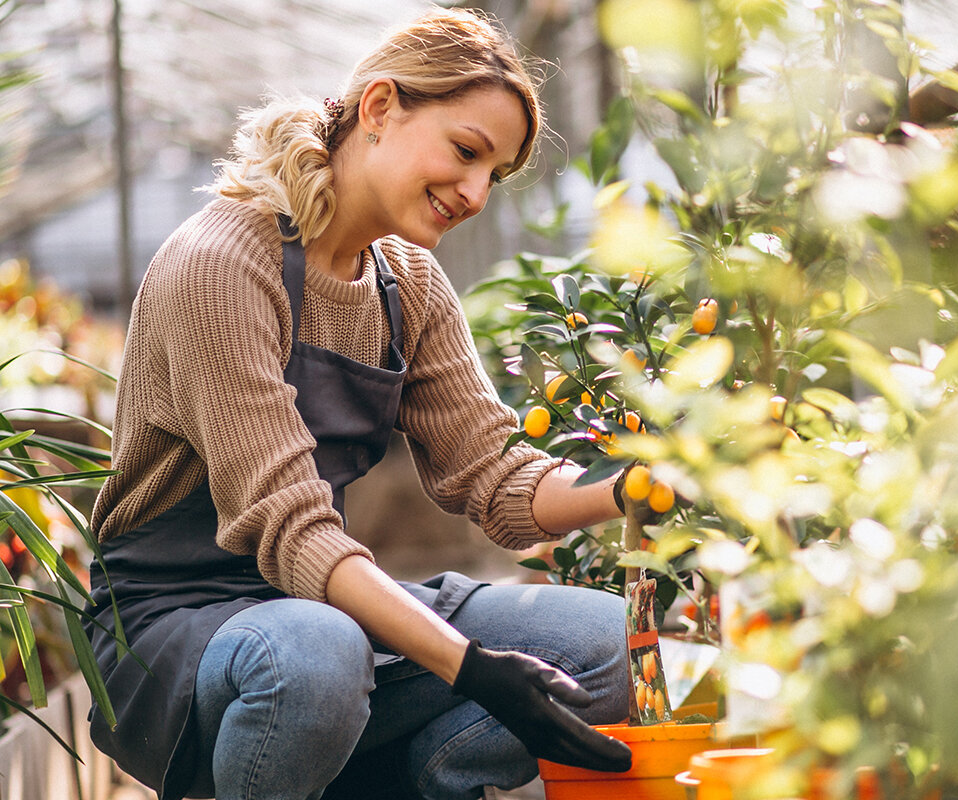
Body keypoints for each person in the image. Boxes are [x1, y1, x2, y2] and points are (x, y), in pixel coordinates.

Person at [84, 8, 636, 800]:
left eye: (497, 174)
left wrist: (639, 484)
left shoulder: (405, 281)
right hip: (177, 620)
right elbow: (294, 528)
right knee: (315, 658)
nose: (477, 192)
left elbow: (498, 480)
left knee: (598, 643)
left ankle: (421, 785)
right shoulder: (220, 267)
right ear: (379, 108)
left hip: (317, 601)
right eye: (466, 152)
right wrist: (471, 667)